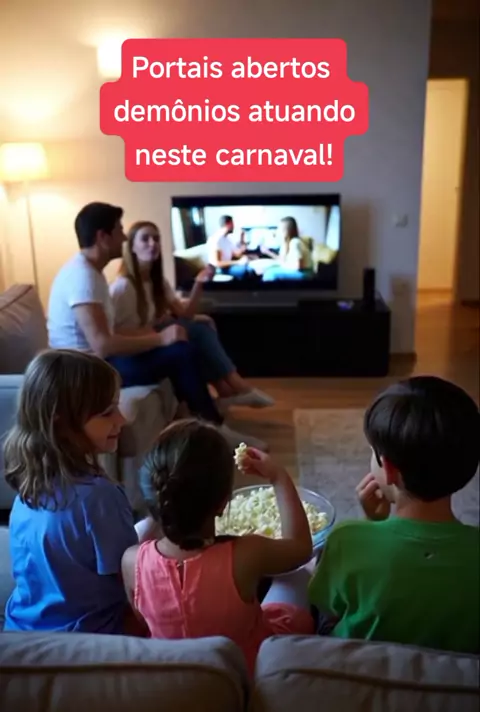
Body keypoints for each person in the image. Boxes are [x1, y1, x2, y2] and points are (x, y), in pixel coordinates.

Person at [47, 202, 264, 449]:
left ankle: (207, 415)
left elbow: (108, 336)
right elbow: (103, 345)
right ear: (102, 237)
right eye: (119, 230)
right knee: (179, 353)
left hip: (97, 363)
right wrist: (160, 338)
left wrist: (160, 331)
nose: (124, 237)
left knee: (184, 342)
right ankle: (213, 425)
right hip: (84, 373)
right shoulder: (83, 277)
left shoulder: (91, 273)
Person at [121, 419, 315, 675]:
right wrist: (278, 477)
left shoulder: (132, 562)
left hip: (173, 679)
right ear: (223, 503)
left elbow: (143, 621)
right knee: (298, 577)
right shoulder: (246, 553)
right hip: (244, 674)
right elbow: (301, 547)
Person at [308, 376, 480, 654]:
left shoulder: (348, 539)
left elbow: (328, 605)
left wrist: (370, 526)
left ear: (388, 468)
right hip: (449, 671)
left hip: (360, 666)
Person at [3, 349, 153, 634]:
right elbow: (133, 582)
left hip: (21, 632)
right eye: (107, 412)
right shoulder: (100, 496)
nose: (121, 419)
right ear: (61, 421)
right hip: (87, 640)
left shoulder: (27, 490)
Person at [109, 220, 274, 410]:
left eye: (156, 239)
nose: (152, 244)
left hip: (149, 339)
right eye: (145, 239)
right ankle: (239, 387)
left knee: (200, 326)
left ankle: (227, 392)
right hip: (131, 353)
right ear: (132, 247)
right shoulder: (123, 287)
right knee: (196, 332)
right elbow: (114, 333)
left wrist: (199, 283)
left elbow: (184, 314)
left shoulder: (157, 282)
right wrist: (160, 333)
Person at [262, 217, 314, 282]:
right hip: (298, 271)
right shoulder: (286, 243)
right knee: (268, 270)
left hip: (305, 273)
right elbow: (282, 260)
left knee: (270, 274)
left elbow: (298, 266)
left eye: (279, 228)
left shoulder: (295, 242)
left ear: (286, 230)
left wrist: (282, 265)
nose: (277, 231)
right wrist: (268, 252)